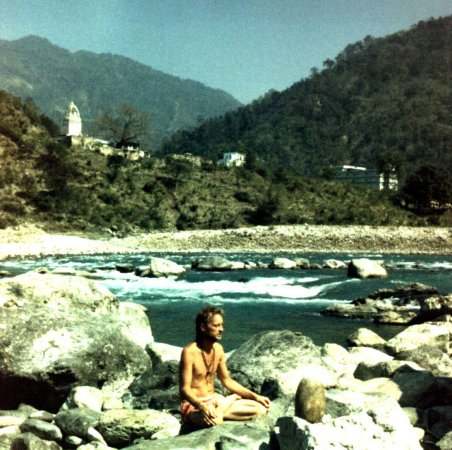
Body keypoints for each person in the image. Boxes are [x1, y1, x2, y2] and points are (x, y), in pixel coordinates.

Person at [179, 305, 271, 427]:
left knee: (261, 409)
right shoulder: (189, 352)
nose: (221, 329)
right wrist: (201, 406)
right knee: (216, 421)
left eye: (221, 325)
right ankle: (226, 403)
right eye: (216, 326)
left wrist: (256, 397)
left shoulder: (218, 349)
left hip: (215, 400)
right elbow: (184, 389)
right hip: (195, 405)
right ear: (203, 327)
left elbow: (227, 381)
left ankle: (221, 407)